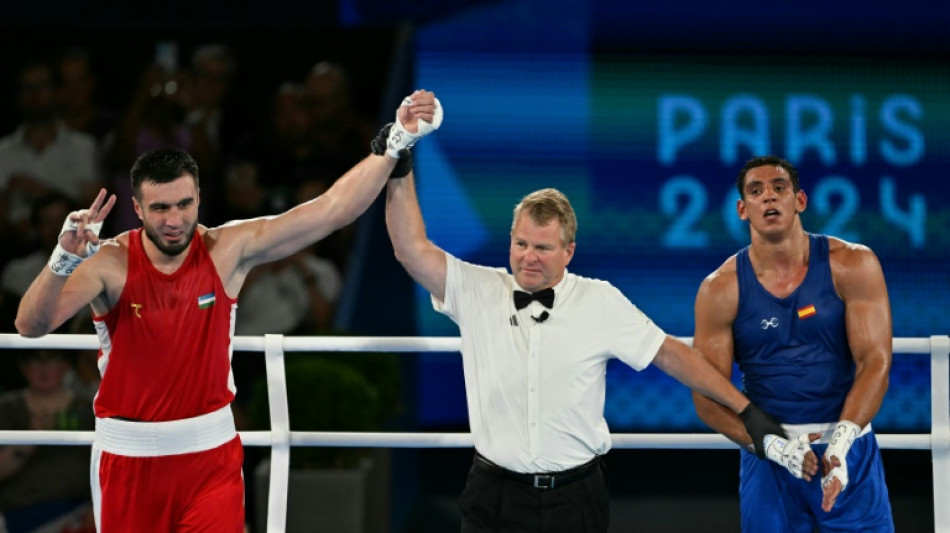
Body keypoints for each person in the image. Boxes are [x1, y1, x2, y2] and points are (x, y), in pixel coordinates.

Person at [14, 89, 442, 532]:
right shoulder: (110, 262)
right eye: (160, 208)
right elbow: (31, 325)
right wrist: (62, 262)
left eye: (184, 204)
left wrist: (393, 144)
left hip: (209, 456)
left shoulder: (226, 249)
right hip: (128, 457)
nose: (175, 219)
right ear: (137, 208)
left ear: (199, 197)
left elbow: (330, 211)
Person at [383, 149, 789, 532]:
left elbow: (668, 354)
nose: (528, 257)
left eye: (542, 247)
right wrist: (399, 169)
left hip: (575, 498)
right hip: (494, 494)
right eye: (520, 244)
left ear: (568, 251)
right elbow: (409, 249)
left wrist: (745, 408)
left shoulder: (599, 300)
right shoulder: (477, 289)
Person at [691, 155, 894, 531]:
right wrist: (774, 447)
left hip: (848, 450)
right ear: (742, 209)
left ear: (799, 200)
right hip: (771, 461)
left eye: (779, 188)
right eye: (756, 191)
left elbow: (875, 362)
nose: (769, 198)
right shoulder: (720, 289)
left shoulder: (852, 265)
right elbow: (707, 397)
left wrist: (841, 443)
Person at [0, 349, 95, 533]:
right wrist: (31, 436)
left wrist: (97, 508)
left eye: (52, 360)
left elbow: (105, 469)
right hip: (17, 515)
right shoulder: (7, 408)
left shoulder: (89, 409)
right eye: (36, 361)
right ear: (24, 367)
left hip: (81, 513)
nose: (44, 369)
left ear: (66, 366)